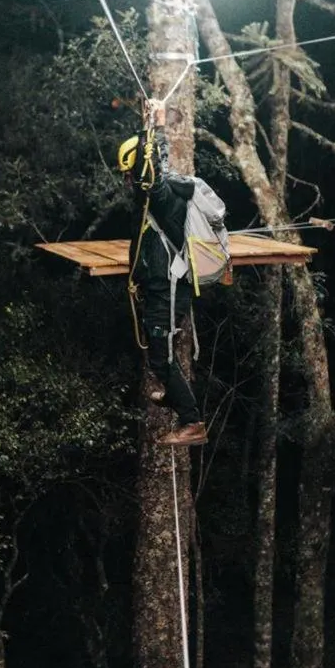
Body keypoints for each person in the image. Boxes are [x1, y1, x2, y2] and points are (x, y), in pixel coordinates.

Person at [118, 121, 208, 448]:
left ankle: (192, 422)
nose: (128, 181)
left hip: (168, 290)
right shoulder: (157, 197)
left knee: (161, 357)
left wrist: (151, 129)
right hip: (160, 288)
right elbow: (158, 167)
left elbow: (152, 175)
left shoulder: (163, 198)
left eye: (129, 174)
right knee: (160, 350)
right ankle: (175, 394)